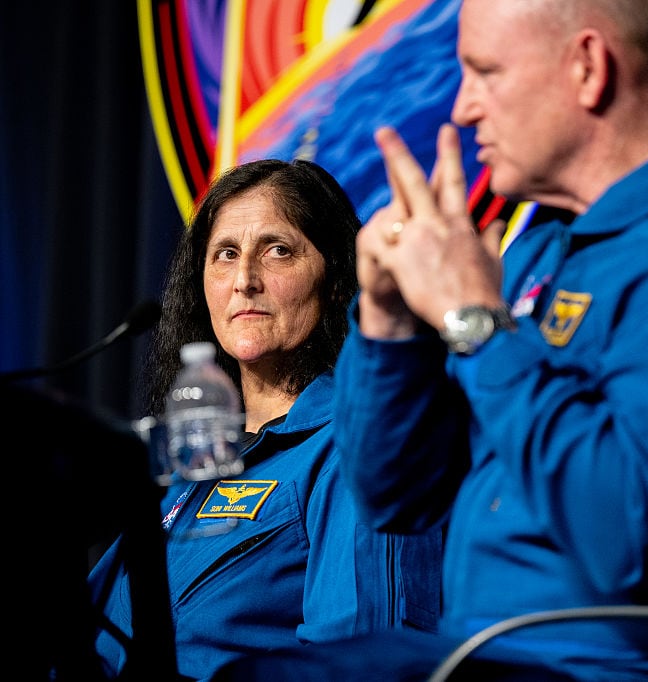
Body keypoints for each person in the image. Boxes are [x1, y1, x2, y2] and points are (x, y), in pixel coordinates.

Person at [213, 0, 648, 679]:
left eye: (486, 73)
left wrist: (475, 322)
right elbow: (396, 495)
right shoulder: (537, 255)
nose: (463, 108)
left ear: (587, 68)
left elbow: (639, 539)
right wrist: (389, 323)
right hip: (485, 655)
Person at [86, 158, 444, 681]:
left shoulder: (357, 446)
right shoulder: (191, 462)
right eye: (225, 255)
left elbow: (364, 662)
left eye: (278, 251)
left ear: (337, 279)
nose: (245, 281)